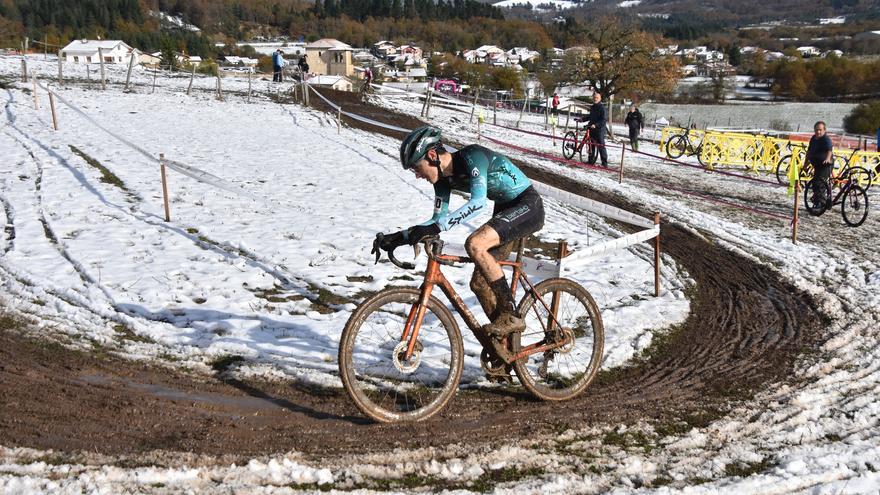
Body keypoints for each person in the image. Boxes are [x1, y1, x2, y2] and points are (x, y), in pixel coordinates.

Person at [378, 126, 545, 364]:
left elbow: (478, 203)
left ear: (432, 156)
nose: (417, 175)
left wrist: (436, 228)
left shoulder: (472, 156)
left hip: (528, 205)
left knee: (475, 244)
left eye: (416, 167)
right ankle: (507, 348)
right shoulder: (442, 181)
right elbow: (436, 221)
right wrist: (399, 237)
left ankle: (511, 315)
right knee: (479, 284)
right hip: (505, 210)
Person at [806, 121, 834, 209]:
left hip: (826, 165)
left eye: (820, 130)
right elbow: (809, 152)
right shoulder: (813, 138)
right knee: (815, 184)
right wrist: (806, 163)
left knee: (820, 183)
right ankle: (818, 201)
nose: (818, 132)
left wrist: (828, 158)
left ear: (824, 130)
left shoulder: (826, 139)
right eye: (816, 130)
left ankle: (821, 203)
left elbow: (829, 150)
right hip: (817, 165)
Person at [577, 92, 608, 167]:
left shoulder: (602, 108)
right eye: (594, 98)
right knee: (591, 145)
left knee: (601, 146)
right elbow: (590, 116)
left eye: (597, 98)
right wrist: (582, 119)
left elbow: (604, 120)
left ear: (600, 99)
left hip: (599, 130)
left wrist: (596, 125)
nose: (595, 99)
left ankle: (604, 163)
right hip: (591, 128)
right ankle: (591, 161)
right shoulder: (593, 107)